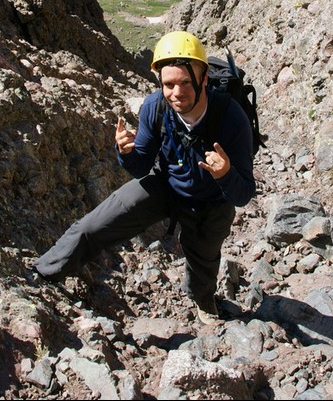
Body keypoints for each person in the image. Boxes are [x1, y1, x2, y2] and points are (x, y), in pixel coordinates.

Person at [33, 31, 256, 324]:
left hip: (212, 199)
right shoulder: (156, 107)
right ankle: (43, 273)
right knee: (97, 222)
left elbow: (242, 194)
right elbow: (141, 167)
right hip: (164, 182)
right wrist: (125, 152)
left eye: (186, 82)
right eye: (169, 84)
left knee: (203, 259)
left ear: (203, 80)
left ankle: (203, 300)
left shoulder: (231, 118)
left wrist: (225, 174)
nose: (177, 93)